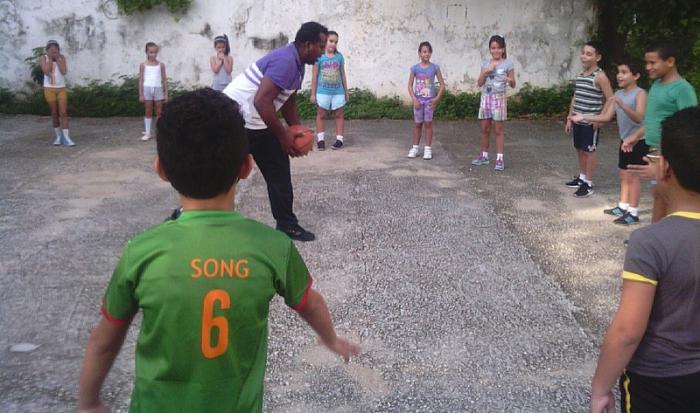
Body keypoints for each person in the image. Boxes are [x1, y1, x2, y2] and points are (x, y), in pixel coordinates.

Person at [76, 89, 360, 413]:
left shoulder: (140, 252)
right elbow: (310, 304)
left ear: (161, 169)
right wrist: (331, 339)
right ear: (246, 166)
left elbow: (104, 341)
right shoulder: (273, 246)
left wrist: (88, 403)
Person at [589, 106, 700, 413]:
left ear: (665, 168)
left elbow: (627, 331)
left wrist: (601, 388)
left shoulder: (649, 243)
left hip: (657, 380)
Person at [223, 22, 328, 241]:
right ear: (307, 45)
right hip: (233, 121)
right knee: (223, 174)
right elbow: (262, 101)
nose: (323, 50)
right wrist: (283, 135)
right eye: (320, 45)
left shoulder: (298, 62)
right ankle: (189, 213)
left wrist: (295, 130)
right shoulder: (286, 61)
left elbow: (288, 99)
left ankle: (287, 225)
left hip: (257, 121)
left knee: (279, 172)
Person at [624, 43, 698, 222]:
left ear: (670, 61)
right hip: (654, 150)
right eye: (646, 63)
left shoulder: (682, 89)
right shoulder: (656, 85)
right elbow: (653, 119)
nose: (648, 67)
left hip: (670, 154)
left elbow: (691, 127)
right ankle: (656, 232)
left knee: (672, 196)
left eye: (653, 62)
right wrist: (635, 136)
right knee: (658, 193)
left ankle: (665, 235)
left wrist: (669, 161)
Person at [570, 59, 647, 225]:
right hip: (624, 140)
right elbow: (605, 117)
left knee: (633, 177)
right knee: (623, 174)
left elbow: (639, 118)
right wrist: (584, 117)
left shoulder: (640, 93)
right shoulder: (618, 94)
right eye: (619, 72)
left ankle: (633, 212)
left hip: (638, 141)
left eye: (624, 72)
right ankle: (622, 206)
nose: (620, 76)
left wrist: (624, 106)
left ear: (636, 76)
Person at [564, 41, 614, 197]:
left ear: (597, 57)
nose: (584, 56)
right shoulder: (580, 75)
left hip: (590, 122)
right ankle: (582, 177)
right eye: (583, 53)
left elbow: (611, 99)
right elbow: (576, 97)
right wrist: (569, 118)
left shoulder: (600, 76)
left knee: (589, 151)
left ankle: (589, 183)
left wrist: (601, 119)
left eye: (589, 54)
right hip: (578, 120)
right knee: (579, 148)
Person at [471, 35, 515, 171]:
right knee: (485, 128)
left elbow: (513, 84)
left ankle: (500, 158)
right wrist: (486, 71)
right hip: (486, 98)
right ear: (490, 49)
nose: (496, 51)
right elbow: (479, 83)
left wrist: (509, 79)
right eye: (493, 48)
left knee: (498, 130)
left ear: (503, 49)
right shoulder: (485, 63)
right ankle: (484, 156)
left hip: (499, 99)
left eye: (498, 48)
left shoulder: (508, 64)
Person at [310, 30, 349, 151]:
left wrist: (346, 92)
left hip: (338, 92)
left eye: (336, 42)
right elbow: (315, 76)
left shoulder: (339, 57)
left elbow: (343, 74)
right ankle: (321, 140)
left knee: (339, 114)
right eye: (331, 41)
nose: (333, 44)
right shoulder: (319, 57)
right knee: (321, 115)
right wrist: (313, 93)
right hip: (322, 92)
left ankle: (339, 140)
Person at [407, 41, 445, 160]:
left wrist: (436, 99)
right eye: (424, 52)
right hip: (418, 102)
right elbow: (409, 85)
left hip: (429, 102)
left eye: (428, 52)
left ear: (431, 53)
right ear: (419, 53)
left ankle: (428, 149)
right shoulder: (415, 68)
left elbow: (442, 85)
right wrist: (414, 99)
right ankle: (415, 148)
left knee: (428, 124)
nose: (426, 54)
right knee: (418, 124)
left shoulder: (434, 68)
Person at [39, 40, 74, 146]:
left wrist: (58, 59)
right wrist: (50, 59)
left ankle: (66, 137)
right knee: (54, 113)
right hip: (49, 89)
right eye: (51, 51)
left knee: (63, 112)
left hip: (61, 89)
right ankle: (58, 136)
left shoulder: (61, 57)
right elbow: (46, 71)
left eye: (56, 51)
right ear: (47, 51)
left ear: (59, 50)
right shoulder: (43, 58)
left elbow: (64, 71)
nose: (54, 53)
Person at [138, 42, 168, 141]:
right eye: (151, 52)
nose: (153, 55)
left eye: (155, 52)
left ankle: (160, 132)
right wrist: (141, 94)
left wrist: (166, 93)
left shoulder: (161, 65)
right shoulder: (143, 65)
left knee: (159, 111)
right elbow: (141, 80)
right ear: (146, 52)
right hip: (147, 88)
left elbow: (164, 79)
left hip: (158, 88)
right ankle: (147, 132)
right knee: (148, 110)